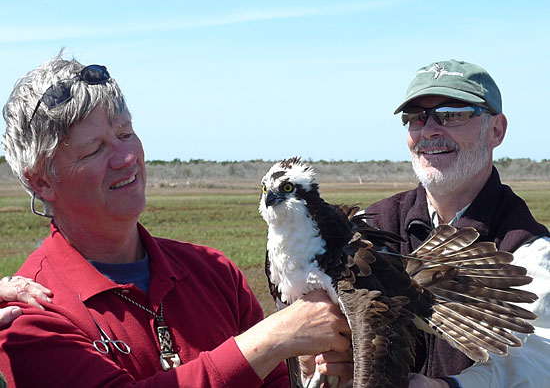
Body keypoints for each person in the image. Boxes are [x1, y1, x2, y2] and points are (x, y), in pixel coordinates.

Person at [0, 53, 351, 387]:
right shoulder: (30, 314)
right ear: (42, 181)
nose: (126, 157)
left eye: (125, 134)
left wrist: (313, 374)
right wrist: (271, 340)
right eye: (94, 149)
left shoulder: (214, 272)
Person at [363, 59, 550, 387]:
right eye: (416, 117)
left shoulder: (525, 253)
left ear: (496, 130)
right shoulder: (374, 227)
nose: (429, 130)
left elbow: (538, 363)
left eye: (451, 113)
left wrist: (446, 386)